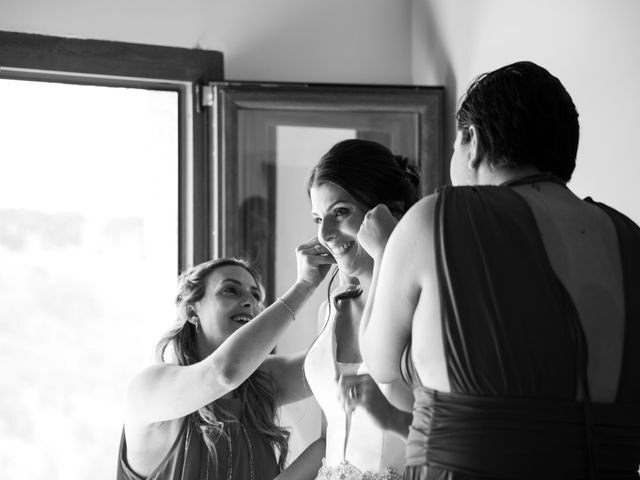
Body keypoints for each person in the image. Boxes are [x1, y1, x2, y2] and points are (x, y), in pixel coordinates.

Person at [359, 61, 640, 479]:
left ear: (471, 139)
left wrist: (383, 253)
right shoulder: (628, 236)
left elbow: (380, 363)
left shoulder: (437, 219)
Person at [117, 249, 334, 480]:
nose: (250, 302)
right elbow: (224, 373)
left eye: (255, 296)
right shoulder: (146, 388)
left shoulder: (260, 382)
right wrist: (304, 285)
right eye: (230, 290)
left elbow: (331, 364)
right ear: (192, 311)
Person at [296, 139, 420, 479]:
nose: (325, 233)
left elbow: (456, 440)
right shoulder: (331, 311)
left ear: (388, 210)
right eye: (318, 218)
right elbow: (329, 440)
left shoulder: (425, 307)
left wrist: (391, 418)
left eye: (340, 212)